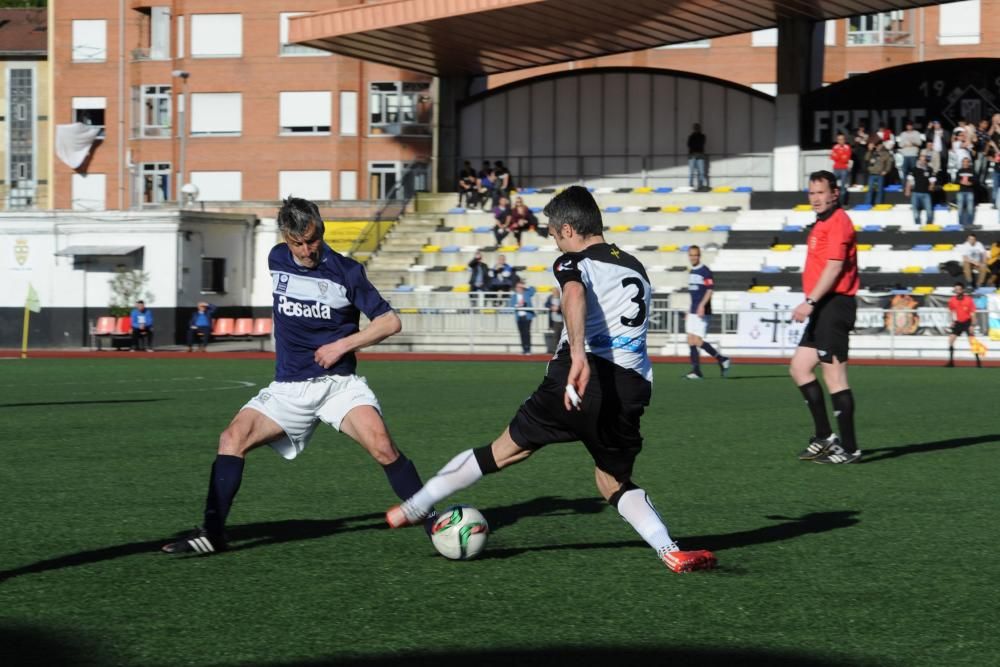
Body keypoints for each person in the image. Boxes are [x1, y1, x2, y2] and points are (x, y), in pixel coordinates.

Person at [385, 186, 717, 573]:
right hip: (629, 389)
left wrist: (578, 353)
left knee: (502, 451)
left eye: (554, 233)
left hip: (578, 378)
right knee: (612, 480)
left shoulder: (572, 262)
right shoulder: (635, 267)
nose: (554, 241)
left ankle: (416, 504)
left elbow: (573, 293)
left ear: (569, 229)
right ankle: (669, 550)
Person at [161, 197, 434, 555]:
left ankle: (437, 524)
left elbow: (390, 321)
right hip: (288, 387)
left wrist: (343, 345)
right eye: (297, 243)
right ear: (285, 239)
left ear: (321, 228)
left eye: (313, 239)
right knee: (232, 438)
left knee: (383, 448)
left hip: (338, 386)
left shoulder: (347, 271)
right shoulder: (276, 258)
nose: (306, 250)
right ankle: (211, 534)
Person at [790, 171, 861, 465]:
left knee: (835, 377)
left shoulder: (839, 222)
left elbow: (833, 268)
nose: (816, 198)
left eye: (821, 192)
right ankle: (824, 436)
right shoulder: (821, 223)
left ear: (834, 193)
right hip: (822, 306)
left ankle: (850, 448)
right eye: (811, 193)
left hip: (834, 304)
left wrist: (809, 301)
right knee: (799, 368)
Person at [684, 245, 731, 379]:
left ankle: (722, 359)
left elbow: (710, 289)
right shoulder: (691, 272)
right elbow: (693, 294)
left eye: (695, 255)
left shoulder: (705, 271)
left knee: (697, 340)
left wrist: (702, 306)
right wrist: (689, 310)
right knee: (690, 339)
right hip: (693, 310)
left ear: (699, 256)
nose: (693, 257)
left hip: (702, 311)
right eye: (691, 255)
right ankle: (696, 371)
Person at [946, 283, 982, 368]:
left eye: (959, 289)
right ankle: (951, 362)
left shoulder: (968, 299)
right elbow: (951, 311)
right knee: (951, 340)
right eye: (956, 289)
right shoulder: (952, 300)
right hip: (958, 322)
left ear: (962, 290)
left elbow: (973, 313)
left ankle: (978, 362)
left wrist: (972, 325)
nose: (957, 291)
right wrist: (952, 321)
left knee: (972, 341)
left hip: (967, 322)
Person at [904, 152, 936, 226]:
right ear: (918, 160)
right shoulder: (914, 169)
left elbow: (932, 180)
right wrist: (907, 190)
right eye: (921, 160)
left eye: (924, 160)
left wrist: (931, 186)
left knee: (929, 210)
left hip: (926, 193)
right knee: (915, 210)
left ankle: (929, 224)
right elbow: (909, 180)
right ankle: (917, 225)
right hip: (916, 193)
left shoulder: (929, 169)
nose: (923, 161)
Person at [864, 136, 893, 206]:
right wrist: (870, 150)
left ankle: (878, 204)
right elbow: (866, 158)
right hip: (872, 173)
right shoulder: (872, 153)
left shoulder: (885, 153)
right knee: (870, 189)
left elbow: (889, 163)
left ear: (881, 145)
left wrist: (886, 171)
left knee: (879, 190)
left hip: (880, 174)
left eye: (879, 145)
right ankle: (868, 203)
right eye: (876, 145)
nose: (878, 147)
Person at [510, 280, 535, 354]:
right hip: (519, 317)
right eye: (518, 287)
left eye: (520, 287)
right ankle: (524, 348)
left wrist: (524, 286)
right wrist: (517, 305)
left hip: (527, 316)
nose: (519, 288)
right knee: (521, 333)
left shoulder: (527, 293)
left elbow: (533, 290)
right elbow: (511, 305)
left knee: (527, 333)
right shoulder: (514, 296)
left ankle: (528, 349)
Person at [829, 133, 852, 205]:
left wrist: (838, 156)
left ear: (844, 140)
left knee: (843, 188)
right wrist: (841, 156)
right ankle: (833, 203)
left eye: (842, 139)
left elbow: (846, 159)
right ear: (837, 140)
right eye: (839, 139)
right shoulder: (835, 147)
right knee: (832, 187)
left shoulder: (847, 147)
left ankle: (842, 204)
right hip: (836, 168)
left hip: (844, 169)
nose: (841, 141)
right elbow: (832, 157)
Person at [955, 157, 977, 228]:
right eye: (964, 161)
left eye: (967, 161)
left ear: (969, 163)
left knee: (970, 209)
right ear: (962, 163)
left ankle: (970, 224)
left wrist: (970, 183)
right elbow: (956, 180)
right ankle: (961, 224)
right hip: (960, 192)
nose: (965, 163)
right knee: (960, 209)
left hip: (969, 191)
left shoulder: (972, 171)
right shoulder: (959, 171)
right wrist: (961, 182)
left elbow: (976, 181)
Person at [544, 285, 564, 353]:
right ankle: (556, 350)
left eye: (555, 290)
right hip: (555, 320)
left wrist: (559, 308)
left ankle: (563, 349)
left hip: (563, 320)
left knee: (563, 336)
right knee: (556, 336)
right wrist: (551, 307)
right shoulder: (550, 297)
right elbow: (546, 304)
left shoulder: (562, 296)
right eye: (553, 290)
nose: (554, 292)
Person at [687, 123, 707, 190]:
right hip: (693, 155)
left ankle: (700, 186)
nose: (696, 129)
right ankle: (691, 186)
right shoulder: (691, 136)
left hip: (699, 155)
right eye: (695, 128)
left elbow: (700, 143)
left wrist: (694, 148)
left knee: (701, 171)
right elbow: (689, 144)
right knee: (691, 172)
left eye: (697, 127)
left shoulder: (702, 136)